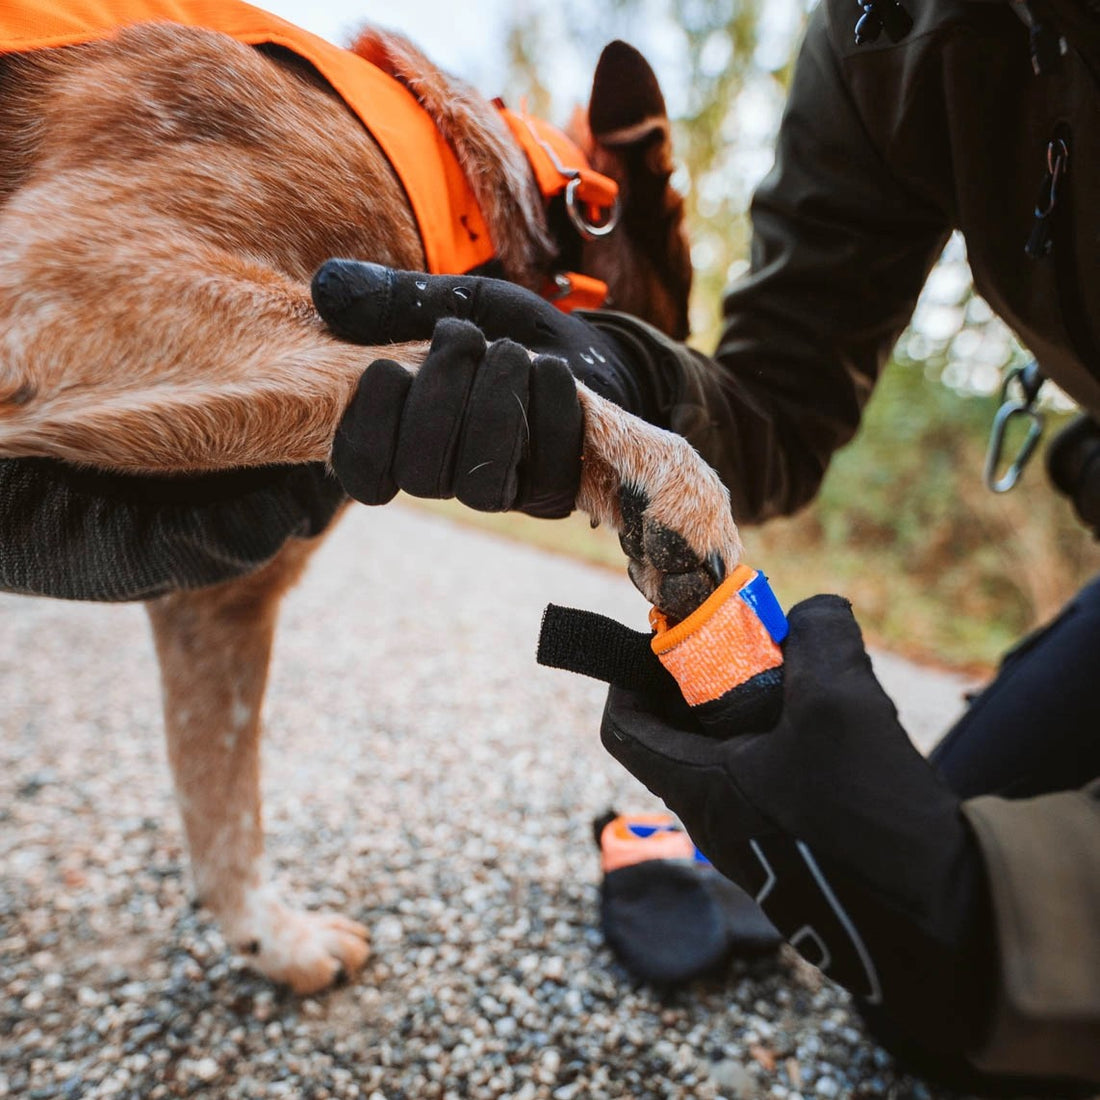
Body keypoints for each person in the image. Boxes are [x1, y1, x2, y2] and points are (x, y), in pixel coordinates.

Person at [4, 0, 1098, 1088]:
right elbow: (40, 318)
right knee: (920, 950)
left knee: (952, 960)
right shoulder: (877, 36)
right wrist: (620, 396)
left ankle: (237, 895)